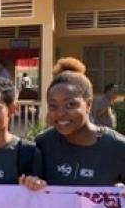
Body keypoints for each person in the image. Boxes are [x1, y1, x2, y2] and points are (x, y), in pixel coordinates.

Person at [36, 58, 125, 186]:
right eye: (53, 106)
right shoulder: (43, 144)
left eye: (70, 105)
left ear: (88, 105)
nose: (60, 113)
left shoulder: (118, 148)